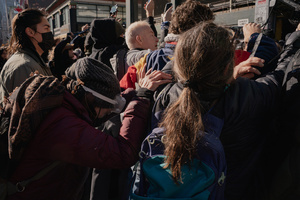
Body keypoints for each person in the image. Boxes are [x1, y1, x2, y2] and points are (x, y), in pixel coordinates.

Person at [147, 22, 293, 199]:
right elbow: (280, 74)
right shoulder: (247, 96)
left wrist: (227, 78)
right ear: (226, 67)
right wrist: (266, 37)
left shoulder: (166, 95)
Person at [4, 57, 172, 200]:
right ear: (93, 102)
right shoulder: (63, 125)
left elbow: (106, 104)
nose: (109, 114)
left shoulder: (63, 101)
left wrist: (136, 92)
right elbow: (123, 153)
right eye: (108, 109)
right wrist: (142, 98)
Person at [0, 8, 53, 102]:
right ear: (30, 32)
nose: (50, 32)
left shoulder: (32, 60)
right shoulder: (24, 67)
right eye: (46, 28)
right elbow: (29, 112)